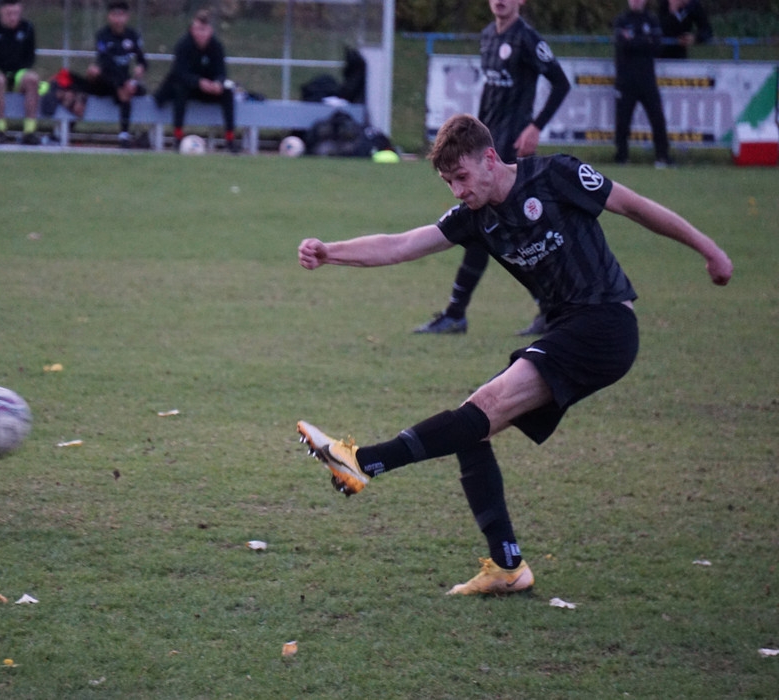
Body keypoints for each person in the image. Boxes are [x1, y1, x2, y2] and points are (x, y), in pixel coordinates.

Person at [296, 113, 731, 595]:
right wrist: (330, 252)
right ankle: (508, 567)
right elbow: (401, 245)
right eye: (448, 182)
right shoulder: (475, 216)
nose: (457, 191)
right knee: (471, 428)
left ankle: (363, 462)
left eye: (461, 177)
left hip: (604, 324)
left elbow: (634, 206)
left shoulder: (556, 175)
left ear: (489, 159)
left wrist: (708, 249)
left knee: (480, 410)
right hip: (568, 330)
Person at [415, 0, 570, 337]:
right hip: (486, 146)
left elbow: (561, 83)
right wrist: (473, 134)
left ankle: (459, 313)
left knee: (493, 228)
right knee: (491, 228)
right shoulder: (487, 36)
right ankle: (545, 308)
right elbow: (490, 92)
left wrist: (535, 127)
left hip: (509, 152)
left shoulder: (527, 39)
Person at [154, 10, 239, 153]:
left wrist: (218, 83)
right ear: (192, 30)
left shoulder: (216, 46)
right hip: (189, 88)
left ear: (210, 31)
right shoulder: (183, 45)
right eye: (198, 29)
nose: (201, 34)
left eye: (204, 30)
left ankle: (230, 140)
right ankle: (178, 137)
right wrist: (199, 82)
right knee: (180, 89)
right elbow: (179, 72)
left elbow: (221, 71)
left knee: (227, 93)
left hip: (208, 90)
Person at [614, 0, 671, 167]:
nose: (636, 2)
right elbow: (622, 45)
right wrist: (644, 40)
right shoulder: (621, 20)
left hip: (647, 80)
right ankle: (622, 157)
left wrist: (634, 40)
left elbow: (657, 47)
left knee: (657, 118)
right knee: (623, 121)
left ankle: (662, 157)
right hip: (626, 80)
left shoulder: (651, 20)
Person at [84, 0, 148, 147]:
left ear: (127, 17)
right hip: (106, 80)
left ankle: (129, 134)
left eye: (121, 15)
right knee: (94, 72)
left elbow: (143, 62)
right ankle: (124, 135)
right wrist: (122, 83)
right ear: (109, 16)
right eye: (114, 15)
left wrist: (139, 71)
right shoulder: (102, 35)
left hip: (125, 81)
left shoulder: (132, 35)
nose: (118, 19)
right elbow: (106, 63)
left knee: (132, 90)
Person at [0, 0, 41, 144]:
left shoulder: (27, 28)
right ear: (1, 11)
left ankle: (29, 132)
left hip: (18, 74)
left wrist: (16, 73)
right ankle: (0, 130)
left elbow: (30, 58)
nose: (13, 17)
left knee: (33, 79)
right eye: (9, 14)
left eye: (16, 13)